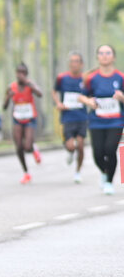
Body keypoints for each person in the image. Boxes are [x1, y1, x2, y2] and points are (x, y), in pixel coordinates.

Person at [78, 45, 124, 195]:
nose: (104, 55)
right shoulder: (92, 78)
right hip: (97, 121)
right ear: (97, 57)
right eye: (101, 53)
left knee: (110, 149)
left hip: (116, 120)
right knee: (98, 153)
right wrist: (89, 102)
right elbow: (81, 96)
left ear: (113, 57)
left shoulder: (120, 77)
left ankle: (109, 182)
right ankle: (104, 172)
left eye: (108, 53)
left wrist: (121, 97)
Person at [2, 63, 43, 184]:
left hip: (30, 118)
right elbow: (4, 107)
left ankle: (33, 148)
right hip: (17, 119)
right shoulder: (11, 87)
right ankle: (26, 173)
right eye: (18, 72)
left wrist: (31, 86)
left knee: (27, 147)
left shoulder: (30, 85)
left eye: (23, 73)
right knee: (19, 146)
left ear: (26, 74)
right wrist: (8, 97)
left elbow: (40, 94)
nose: (20, 75)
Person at [52, 52, 89, 183]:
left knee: (80, 145)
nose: (74, 64)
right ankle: (70, 152)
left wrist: (88, 101)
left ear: (81, 64)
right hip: (67, 117)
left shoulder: (86, 79)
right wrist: (58, 103)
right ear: (69, 64)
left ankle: (78, 171)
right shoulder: (62, 78)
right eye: (72, 61)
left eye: (77, 61)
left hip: (82, 117)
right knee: (71, 146)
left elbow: (91, 94)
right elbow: (54, 91)